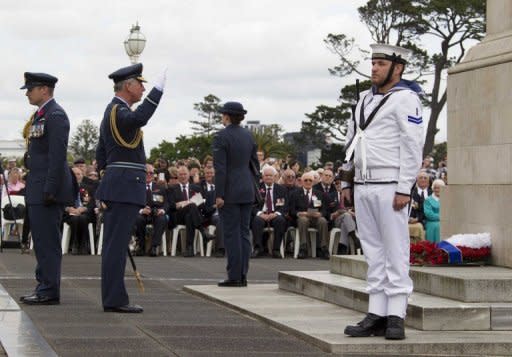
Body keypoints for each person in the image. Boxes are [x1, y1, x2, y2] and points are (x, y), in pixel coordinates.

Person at [342, 44, 424, 340]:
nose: (374, 68)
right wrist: (345, 182)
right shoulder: (363, 98)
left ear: (397, 68)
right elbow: (351, 142)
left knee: (395, 250)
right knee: (373, 251)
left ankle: (396, 315)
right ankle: (376, 311)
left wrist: (405, 187)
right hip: (363, 185)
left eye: (380, 63)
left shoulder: (406, 99)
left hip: (391, 186)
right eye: (373, 62)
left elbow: (412, 146)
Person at [95, 63, 165, 313]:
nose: (143, 88)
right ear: (128, 86)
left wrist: (106, 179)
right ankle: (114, 299)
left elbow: (101, 150)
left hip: (120, 185)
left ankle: (114, 297)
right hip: (124, 186)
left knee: (115, 244)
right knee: (115, 246)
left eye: (147, 85)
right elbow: (140, 118)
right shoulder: (118, 110)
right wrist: (158, 91)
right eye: (141, 84)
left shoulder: (114, 112)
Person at [19, 72, 73, 305]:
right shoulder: (41, 115)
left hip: (46, 190)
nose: (28, 93)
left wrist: (50, 189)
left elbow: (57, 156)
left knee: (47, 242)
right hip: (37, 186)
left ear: (44, 89)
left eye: (30, 89)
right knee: (40, 241)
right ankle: (44, 285)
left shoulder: (55, 115)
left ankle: (49, 290)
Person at [213, 101, 258, 287]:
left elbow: (220, 168)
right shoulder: (249, 136)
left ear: (227, 116)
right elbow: (255, 165)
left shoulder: (221, 137)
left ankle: (234, 276)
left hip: (230, 190)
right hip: (247, 188)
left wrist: (219, 194)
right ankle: (243, 274)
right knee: (244, 233)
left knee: (231, 234)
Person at [167, 165, 212, 257]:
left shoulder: (196, 188)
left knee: (189, 216)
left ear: (188, 175)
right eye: (181, 174)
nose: (183, 176)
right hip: (178, 216)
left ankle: (189, 249)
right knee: (191, 205)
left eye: (185, 174)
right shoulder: (172, 188)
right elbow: (171, 205)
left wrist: (198, 202)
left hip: (192, 216)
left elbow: (202, 206)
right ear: (178, 176)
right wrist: (186, 203)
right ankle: (203, 231)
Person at [288, 171, 330, 259]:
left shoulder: (319, 194)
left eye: (310, 180)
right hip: (302, 218)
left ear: (313, 182)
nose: (308, 182)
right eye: (306, 180)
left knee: (323, 220)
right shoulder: (295, 194)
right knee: (303, 220)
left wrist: (320, 213)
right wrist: (299, 213)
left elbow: (325, 210)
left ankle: (324, 248)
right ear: (302, 181)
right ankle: (303, 248)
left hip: (315, 218)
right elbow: (291, 210)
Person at [251, 166, 288, 258]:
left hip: (275, 214)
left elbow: (284, 206)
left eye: (270, 176)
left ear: (275, 177)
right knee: (257, 220)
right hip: (261, 214)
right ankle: (258, 248)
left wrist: (275, 214)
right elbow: (251, 205)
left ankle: (276, 250)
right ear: (262, 177)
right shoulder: (256, 189)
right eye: (266, 175)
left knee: (280, 220)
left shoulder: (281, 189)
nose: (268, 177)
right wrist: (260, 214)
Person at [134, 164, 169, 256]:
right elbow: (132, 203)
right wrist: (141, 210)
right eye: (146, 172)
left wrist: (162, 210)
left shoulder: (160, 187)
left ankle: (154, 247)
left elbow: (166, 203)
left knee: (162, 219)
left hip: (156, 213)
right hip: (142, 213)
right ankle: (141, 246)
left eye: (151, 173)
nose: (149, 175)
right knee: (138, 219)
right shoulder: (136, 187)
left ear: (154, 175)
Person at [424, 179, 445, 243]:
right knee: (438, 226)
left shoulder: (446, 198)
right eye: (435, 188)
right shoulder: (428, 200)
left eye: (439, 188)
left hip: (445, 221)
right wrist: (442, 217)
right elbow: (429, 214)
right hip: (432, 222)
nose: (437, 190)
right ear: (433, 188)